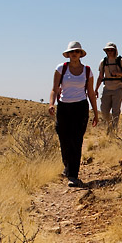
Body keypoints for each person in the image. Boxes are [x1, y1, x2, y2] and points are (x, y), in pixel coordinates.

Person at [48, 41, 99, 187]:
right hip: (64, 107)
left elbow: (90, 93)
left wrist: (95, 113)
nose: (74, 54)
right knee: (64, 139)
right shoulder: (61, 69)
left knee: (76, 141)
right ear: (68, 54)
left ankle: (73, 175)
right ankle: (68, 166)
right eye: (72, 52)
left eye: (77, 51)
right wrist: (51, 104)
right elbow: (54, 89)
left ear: (80, 54)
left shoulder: (87, 71)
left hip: (80, 107)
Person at [94, 42, 122, 135]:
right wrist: (96, 89)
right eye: (108, 50)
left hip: (118, 88)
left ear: (115, 50)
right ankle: (110, 124)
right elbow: (100, 76)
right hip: (107, 89)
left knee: (116, 111)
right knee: (104, 111)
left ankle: (113, 132)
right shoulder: (103, 62)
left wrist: (118, 73)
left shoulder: (121, 61)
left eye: (111, 50)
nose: (109, 51)